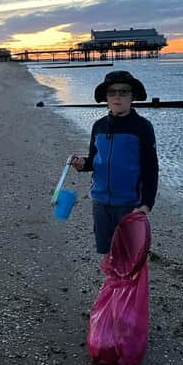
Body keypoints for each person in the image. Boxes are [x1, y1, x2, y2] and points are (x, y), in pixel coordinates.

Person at [71, 70, 159, 255]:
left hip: (129, 204)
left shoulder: (142, 127)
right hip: (100, 203)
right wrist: (82, 164)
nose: (117, 96)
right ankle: (112, 284)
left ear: (133, 96)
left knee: (130, 254)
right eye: (112, 92)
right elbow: (94, 160)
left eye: (123, 91)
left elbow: (150, 169)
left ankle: (128, 285)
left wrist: (146, 204)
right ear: (106, 97)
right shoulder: (99, 126)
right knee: (107, 252)